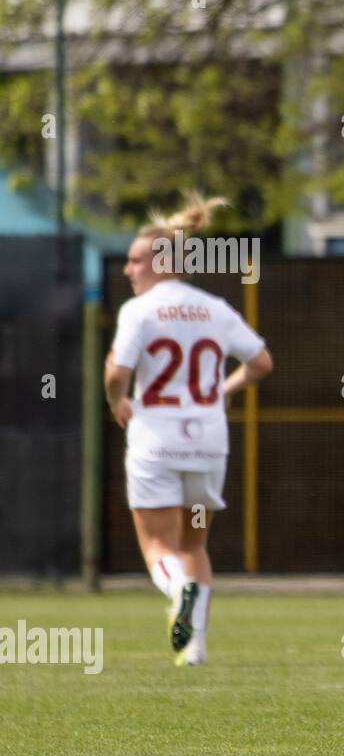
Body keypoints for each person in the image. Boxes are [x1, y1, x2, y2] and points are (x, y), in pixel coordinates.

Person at [104, 192, 273, 666]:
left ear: (160, 262)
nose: (127, 270)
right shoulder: (213, 308)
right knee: (193, 542)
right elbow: (261, 362)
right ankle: (193, 646)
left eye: (135, 261)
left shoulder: (139, 310)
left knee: (157, 546)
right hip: (208, 443)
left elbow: (118, 374)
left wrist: (118, 401)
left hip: (156, 439)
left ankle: (180, 594)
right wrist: (223, 391)